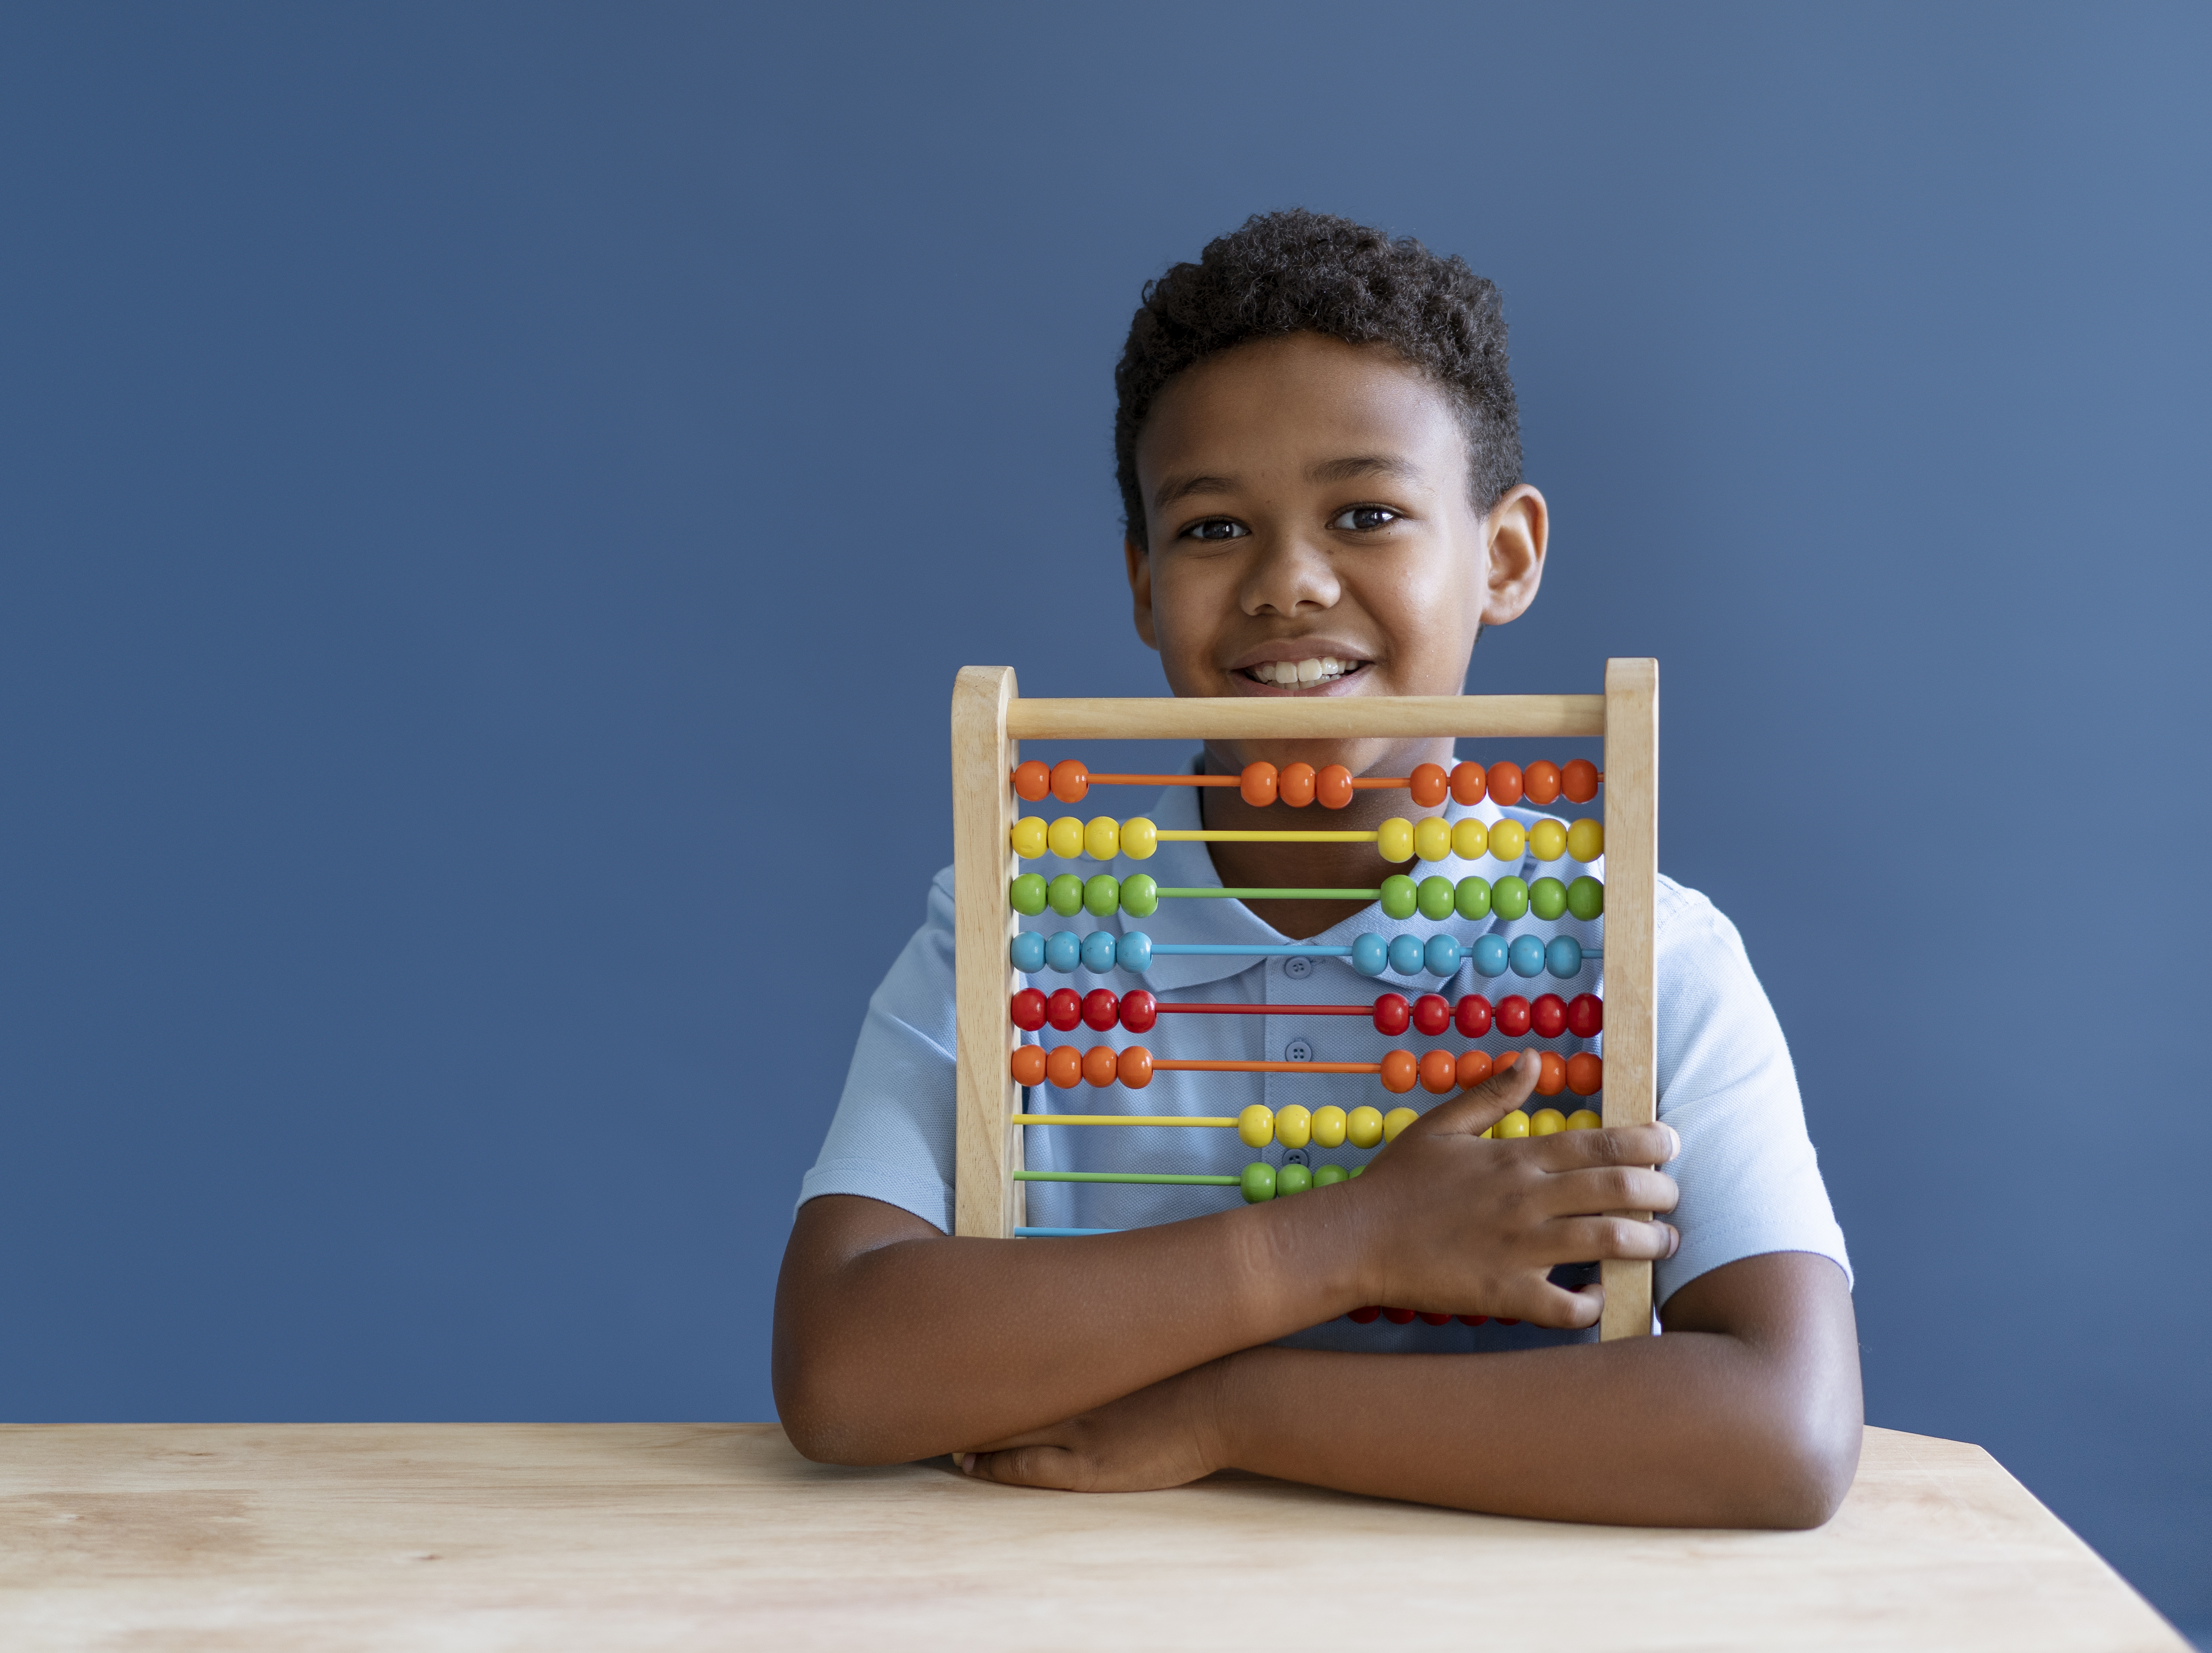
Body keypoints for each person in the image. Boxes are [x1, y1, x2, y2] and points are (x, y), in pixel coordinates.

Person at [771, 210, 1858, 1528]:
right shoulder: (1009, 931)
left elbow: (1780, 1432)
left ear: (1503, 557)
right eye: (1215, 529)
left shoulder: (1642, 955)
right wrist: (1347, 1241)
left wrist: (1230, 1411)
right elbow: (840, 1370)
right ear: (1142, 582)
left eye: (1365, 513)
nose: (1288, 583)